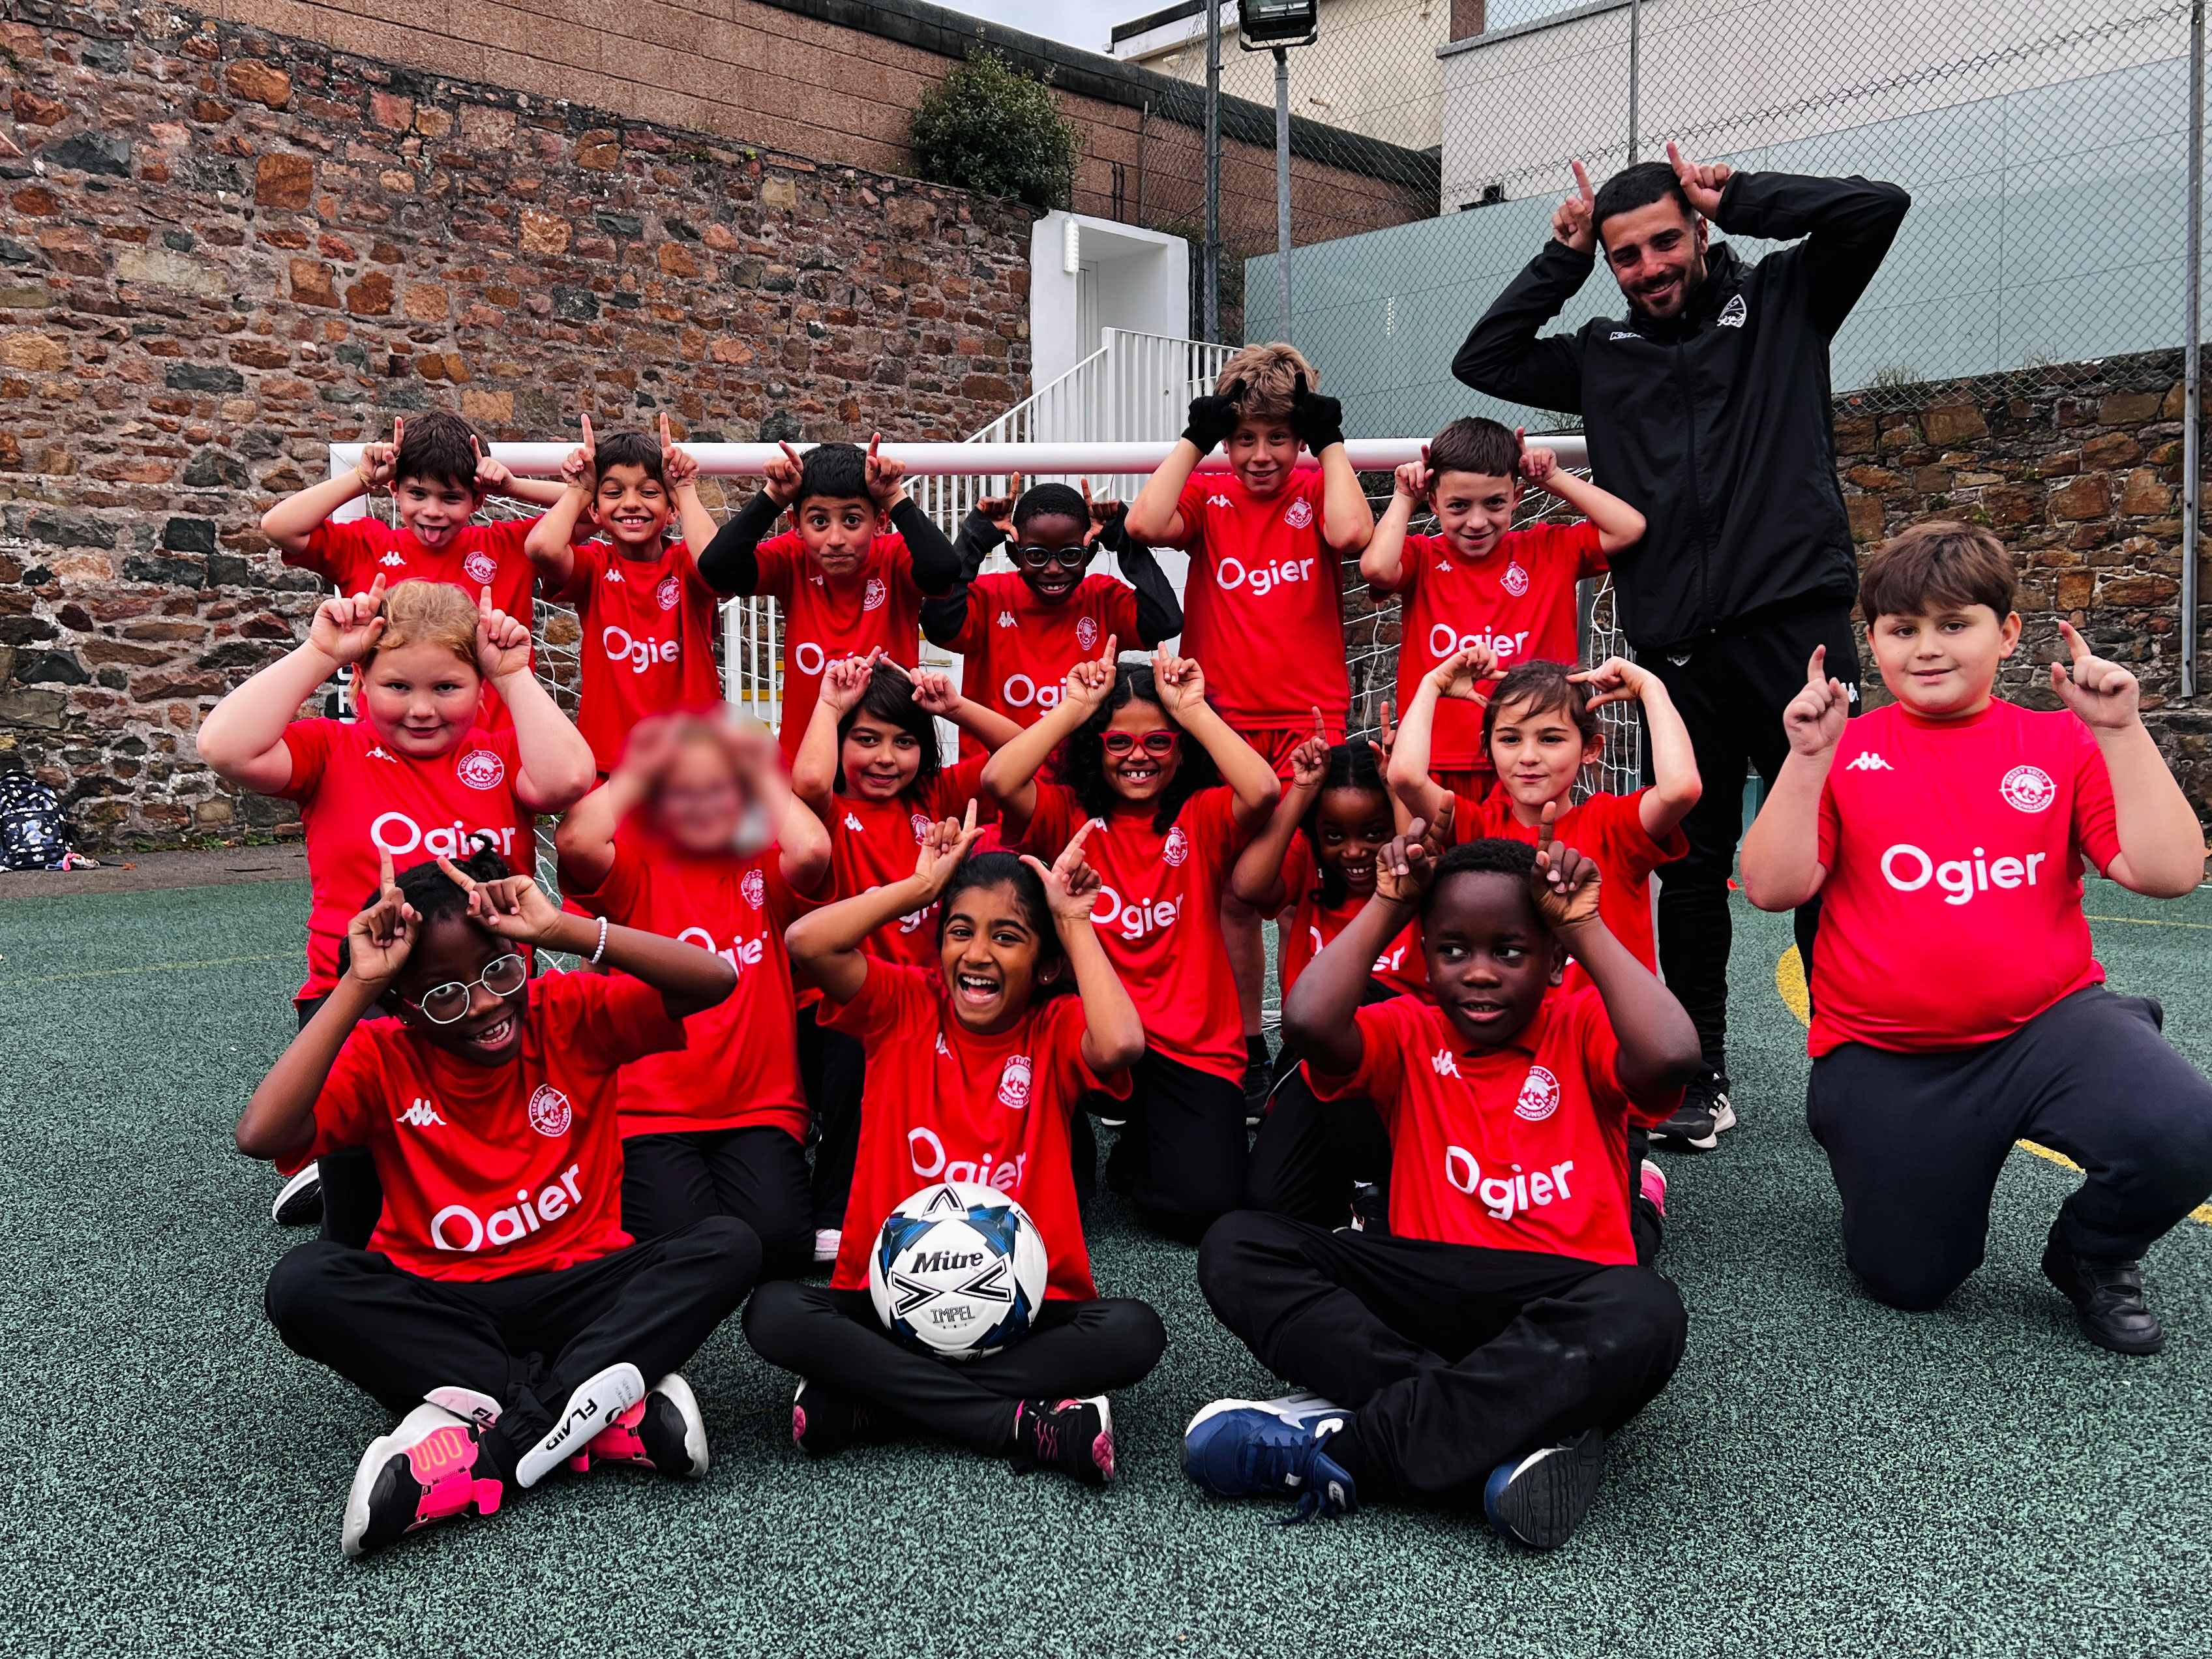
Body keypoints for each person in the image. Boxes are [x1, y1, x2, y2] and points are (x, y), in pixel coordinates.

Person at [1454, 142, 1912, 1148]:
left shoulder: (1787, 298)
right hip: (1675, 650)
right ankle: (1701, 1075)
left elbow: (1876, 203)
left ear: (1700, 232)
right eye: (1628, 256)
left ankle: (1855, 1064)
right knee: (1692, 868)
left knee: (1837, 857)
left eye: (1667, 241)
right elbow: (1482, 361)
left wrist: (1743, 194)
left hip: (1796, 630)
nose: (1651, 267)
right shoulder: (1602, 353)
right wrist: (1559, 256)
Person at [1739, 522, 2212, 1353]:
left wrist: (2121, 732)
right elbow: (1774, 888)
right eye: (1901, 629)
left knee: (2185, 1131)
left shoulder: (2055, 740)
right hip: (1888, 1053)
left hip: (2045, 1026)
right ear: (1872, 641)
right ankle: (1889, 1156)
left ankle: (2091, 1254)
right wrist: (1804, 759)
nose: (1926, 648)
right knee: (1909, 1281)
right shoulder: (1842, 751)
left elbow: (2169, 872)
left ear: (2006, 633)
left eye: (1952, 624)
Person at [1185, 825, 1703, 1547]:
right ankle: (1508, 1422)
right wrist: (1388, 904)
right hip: (1425, 1291)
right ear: (1424, 960)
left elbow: (1674, 1056)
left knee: (1646, 1308)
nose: (1480, 972)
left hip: (1560, 1291)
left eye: (1510, 951)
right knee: (1238, 1244)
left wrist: (1582, 926)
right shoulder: (1407, 1031)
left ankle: (1352, 1447)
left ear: (1553, 962)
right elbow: (1305, 1022)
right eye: (1452, 950)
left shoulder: (1581, 1023)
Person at [238, 843, 749, 1558]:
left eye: (499, 969)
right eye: (443, 994)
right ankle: (601, 1415)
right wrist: (356, 986)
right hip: (447, 1308)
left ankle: (490, 1439)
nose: (482, 1004)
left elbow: (714, 981)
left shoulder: (566, 1011)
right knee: (303, 1281)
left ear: (523, 956)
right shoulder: (381, 1052)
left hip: (580, 1292)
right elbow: (263, 1134)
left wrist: (568, 931)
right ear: (403, 1007)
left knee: (728, 1244)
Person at [745, 817, 1165, 1487]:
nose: (977, 953)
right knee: (772, 1312)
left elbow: (1120, 1046)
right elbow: (806, 942)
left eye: (1008, 937)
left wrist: (1074, 921)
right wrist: (916, 888)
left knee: (1135, 1332)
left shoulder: (1053, 1029)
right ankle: (1021, 1424)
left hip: (1027, 1312)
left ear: (1045, 964)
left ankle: (875, 1401)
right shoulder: (902, 1005)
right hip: (890, 1308)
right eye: (960, 931)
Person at [196, 578, 595, 1235]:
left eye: (446, 687)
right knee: (361, 1196)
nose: (420, 709)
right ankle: (344, 1211)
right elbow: (224, 747)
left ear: (478, 686)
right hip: (359, 995)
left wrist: (516, 677)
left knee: (491, 1151)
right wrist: (319, 652)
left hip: (489, 992)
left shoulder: (497, 756)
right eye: (397, 687)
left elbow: (567, 780)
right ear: (360, 680)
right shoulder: (331, 751)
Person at [1123, 343, 1377, 1109]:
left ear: (1299, 437)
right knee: (1231, 898)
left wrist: (1328, 443)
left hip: (1309, 720)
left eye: (1276, 436)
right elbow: (1142, 520)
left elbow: (1348, 537)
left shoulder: (1313, 482)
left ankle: (1310, 1036)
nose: (1259, 455)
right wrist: (1197, 439)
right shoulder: (1208, 496)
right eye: (1243, 439)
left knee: (1310, 889)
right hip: (1223, 724)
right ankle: (1247, 1046)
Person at [982, 646, 1280, 1240]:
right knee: (1041, 1199)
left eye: (1158, 742)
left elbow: (1264, 791)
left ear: (1180, 749)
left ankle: (1144, 1140)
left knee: (1201, 1211)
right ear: (1097, 748)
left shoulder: (1200, 815)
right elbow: (999, 778)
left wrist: (1191, 710)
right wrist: (1075, 709)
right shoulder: (1067, 814)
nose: (1138, 757)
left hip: (1193, 1045)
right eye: (1119, 742)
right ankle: (1082, 1141)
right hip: (1093, 1034)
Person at [555, 711, 831, 1276]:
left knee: (779, 1245)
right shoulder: (637, 873)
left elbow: (810, 852)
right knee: (680, 1248)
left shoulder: (762, 872)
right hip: (650, 1111)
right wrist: (647, 765)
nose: (703, 804)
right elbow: (579, 838)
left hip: (759, 1107)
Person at [1362, 417, 1643, 801]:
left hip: (1529, 762)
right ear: (1434, 501)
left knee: (1527, 861)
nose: (1477, 522)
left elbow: (1629, 528)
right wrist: (1404, 497)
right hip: (1438, 758)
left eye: (1494, 503)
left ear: (1517, 497)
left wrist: (1555, 479)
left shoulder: (1548, 549)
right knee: (1434, 861)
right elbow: (1376, 568)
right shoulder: (1422, 556)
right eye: (1458, 506)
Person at [261, 411, 571, 728]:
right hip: (390, 750)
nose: (432, 511)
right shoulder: (366, 546)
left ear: (478, 500)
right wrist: (362, 478)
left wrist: (513, 487)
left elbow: (590, 510)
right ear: (394, 489)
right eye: (418, 494)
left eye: (451, 498)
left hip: (493, 752)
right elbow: (279, 527)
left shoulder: (508, 546)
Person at [1229, 723, 1411, 1229]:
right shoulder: (1309, 868)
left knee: (1358, 997)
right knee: (1271, 1205)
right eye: (1335, 835)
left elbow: (1420, 859)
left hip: (1409, 1063)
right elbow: (1247, 887)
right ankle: (1358, 1184)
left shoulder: (1419, 884)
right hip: (1316, 1061)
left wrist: (1398, 788)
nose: (1353, 852)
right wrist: (1302, 790)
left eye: (1373, 834)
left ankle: (1372, 1185)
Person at [695, 436, 959, 760]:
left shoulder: (894, 557)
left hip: (886, 764)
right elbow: (715, 568)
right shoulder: (792, 558)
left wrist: (894, 497)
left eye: (852, 520)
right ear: (796, 525)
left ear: (879, 523)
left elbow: (945, 569)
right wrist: (773, 497)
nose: (835, 539)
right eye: (819, 521)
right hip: (805, 759)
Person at [523, 415, 726, 777]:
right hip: (611, 759)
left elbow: (715, 564)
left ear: (672, 510)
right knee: (577, 837)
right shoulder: (595, 567)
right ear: (596, 512)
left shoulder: (686, 565)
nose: (631, 503)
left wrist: (686, 488)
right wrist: (579, 490)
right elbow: (541, 548)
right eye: (614, 492)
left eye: (649, 492)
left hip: (693, 764)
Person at [922, 479, 1182, 758]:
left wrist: (1124, 539)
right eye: (1036, 555)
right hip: (995, 780)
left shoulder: (1102, 597)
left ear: (1090, 554)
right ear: (1013, 555)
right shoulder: (991, 597)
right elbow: (938, 625)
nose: (1054, 569)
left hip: (1077, 783)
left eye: (1070, 555)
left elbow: (1165, 620)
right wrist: (975, 536)